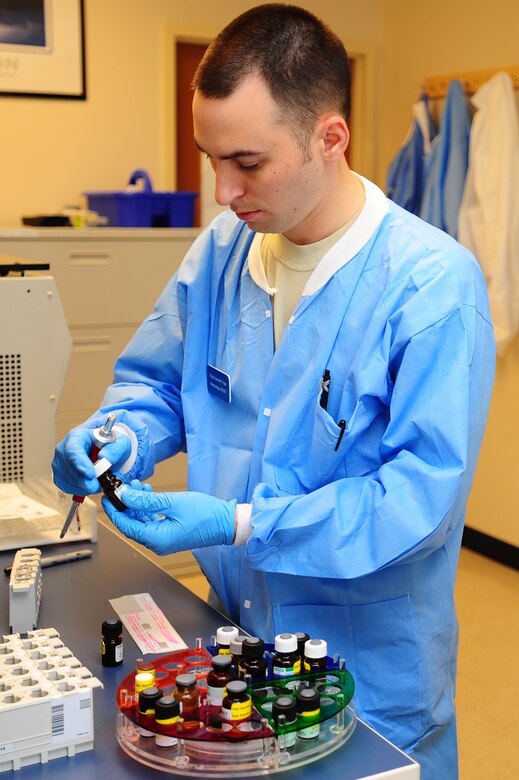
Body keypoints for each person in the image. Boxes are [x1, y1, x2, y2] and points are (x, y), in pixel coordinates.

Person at [52, 5, 495, 778]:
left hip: (367, 682)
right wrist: (120, 434)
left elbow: (413, 505)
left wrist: (239, 523)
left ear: (330, 137)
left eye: (248, 163)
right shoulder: (223, 252)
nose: (222, 190)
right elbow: (158, 384)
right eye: (209, 157)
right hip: (236, 651)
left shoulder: (430, 288)